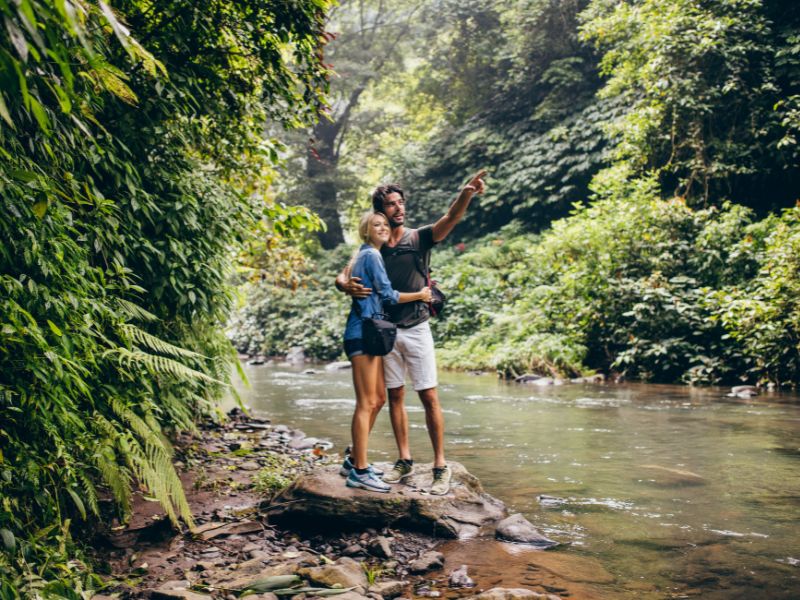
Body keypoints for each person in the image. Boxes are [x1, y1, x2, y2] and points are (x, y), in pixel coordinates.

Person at [336, 170, 487, 495]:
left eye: (401, 203)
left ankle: (439, 465)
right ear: (380, 212)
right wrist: (345, 285)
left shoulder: (418, 237)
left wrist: (466, 194)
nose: (398, 209)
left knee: (429, 395)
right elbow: (343, 275)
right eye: (391, 205)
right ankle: (403, 460)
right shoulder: (374, 244)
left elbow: (451, 218)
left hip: (417, 326)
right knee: (393, 396)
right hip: (383, 331)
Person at [341, 211, 432, 493]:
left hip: (370, 333)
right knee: (366, 403)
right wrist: (421, 294)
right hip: (363, 332)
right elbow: (388, 294)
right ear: (366, 231)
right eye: (375, 225)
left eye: (384, 224)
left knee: (379, 398)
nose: (381, 228)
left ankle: (355, 458)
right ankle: (359, 471)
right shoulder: (371, 255)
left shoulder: (364, 254)